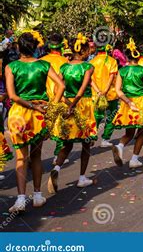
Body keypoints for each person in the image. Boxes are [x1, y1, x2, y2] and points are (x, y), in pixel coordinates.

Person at [5, 31, 65, 212]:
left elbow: (12, 95)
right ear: (35, 47)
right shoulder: (44, 65)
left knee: (21, 158)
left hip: (19, 114)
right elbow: (61, 85)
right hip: (40, 113)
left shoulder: (11, 67)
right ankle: (38, 196)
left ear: (18, 47)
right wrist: (52, 106)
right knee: (37, 156)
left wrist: (30, 105)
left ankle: (21, 199)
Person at [48, 33, 97, 193]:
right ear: (82, 51)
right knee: (86, 144)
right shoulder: (88, 67)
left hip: (66, 102)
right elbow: (83, 89)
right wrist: (73, 105)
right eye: (88, 49)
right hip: (83, 106)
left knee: (67, 143)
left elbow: (57, 88)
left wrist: (65, 103)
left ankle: (57, 168)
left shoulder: (64, 67)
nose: (90, 52)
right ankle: (82, 178)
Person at [111, 38, 143, 168]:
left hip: (128, 103)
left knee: (129, 132)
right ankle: (134, 159)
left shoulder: (122, 71)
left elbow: (118, 90)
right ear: (138, 56)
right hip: (142, 102)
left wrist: (127, 101)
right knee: (141, 132)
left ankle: (120, 146)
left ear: (126, 57)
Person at [40, 34, 69, 165]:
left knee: (41, 128)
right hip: (61, 98)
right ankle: (57, 155)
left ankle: (32, 156)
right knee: (61, 128)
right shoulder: (65, 62)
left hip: (44, 99)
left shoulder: (41, 61)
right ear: (62, 46)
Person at [90, 44, 119, 148]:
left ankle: (91, 137)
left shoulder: (92, 62)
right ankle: (105, 139)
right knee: (111, 116)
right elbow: (112, 76)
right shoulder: (112, 61)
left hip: (96, 94)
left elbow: (90, 79)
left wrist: (98, 91)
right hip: (110, 94)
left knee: (96, 117)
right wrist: (105, 90)